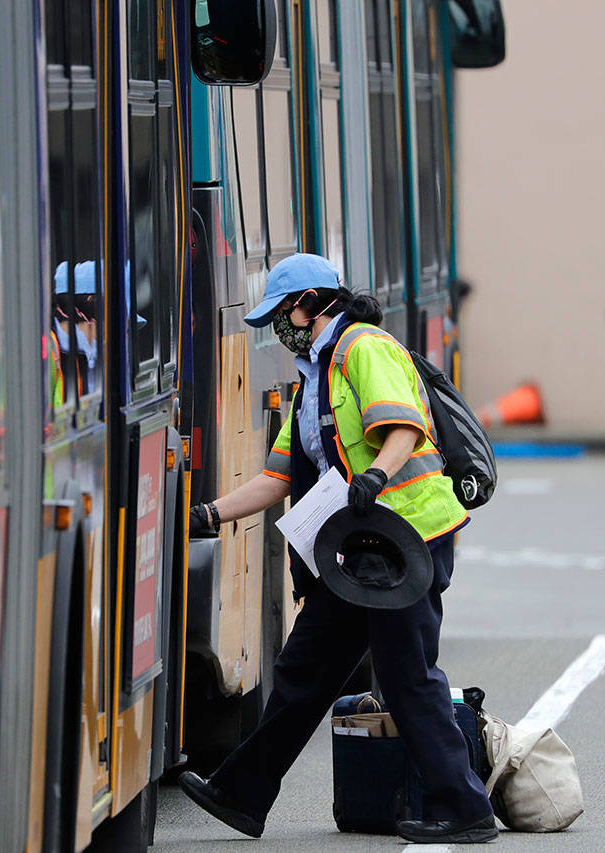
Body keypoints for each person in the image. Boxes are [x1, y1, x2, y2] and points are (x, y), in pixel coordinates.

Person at [181, 253, 497, 845]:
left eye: (283, 313)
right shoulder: (313, 377)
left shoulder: (362, 348)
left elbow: (404, 427)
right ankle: (241, 793)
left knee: (407, 674)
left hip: (408, 538)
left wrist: (375, 477)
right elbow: (279, 476)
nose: (280, 327)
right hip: (361, 545)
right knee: (305, 670)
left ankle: (463, 808)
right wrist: (208, 515)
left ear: (317, 303)